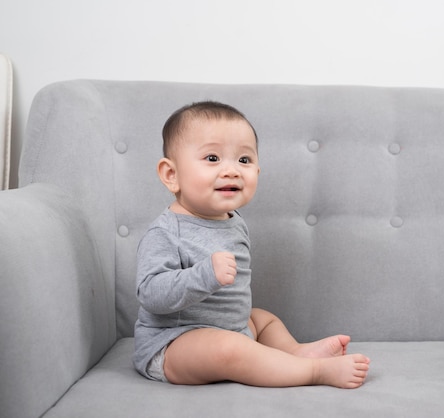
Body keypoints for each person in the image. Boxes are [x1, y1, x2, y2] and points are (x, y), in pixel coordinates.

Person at [133, 101, 370, 389]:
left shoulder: (233, 221)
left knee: (264, 319)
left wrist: (242, 326)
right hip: (174, 344)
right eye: (212, 158)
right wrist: (204, 274)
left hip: (234, 329)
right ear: (172, 175)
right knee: (228, 349)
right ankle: (314, 371)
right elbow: (150, 293)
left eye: (243, 160)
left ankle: (294, 352)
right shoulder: (166, 232)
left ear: (257, 171)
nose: (232, 170)